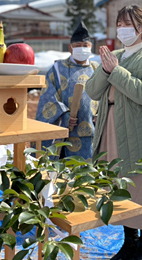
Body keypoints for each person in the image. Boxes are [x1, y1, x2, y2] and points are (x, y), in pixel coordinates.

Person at [85, 4, 142, 260]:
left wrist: (117, 71)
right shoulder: (115, 56)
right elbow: (93, 91)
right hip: (111, 130)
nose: (122, 28)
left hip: (140, 133)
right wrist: (106, 70)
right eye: (119, 23)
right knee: (120, 189)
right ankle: (129, 242)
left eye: (128, 23)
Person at [35, 20, 99, 160]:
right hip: (64, 136)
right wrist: (63, 117)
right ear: (70, 48)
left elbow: (105, 97)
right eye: (77, 46)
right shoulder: (58, 69)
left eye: (85, 45)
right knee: (62, 175)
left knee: (86, 176)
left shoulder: (97, 69)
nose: (82, 49)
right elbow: (48, 98)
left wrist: (100, 114)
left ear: (91, 47)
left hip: (90, 134)